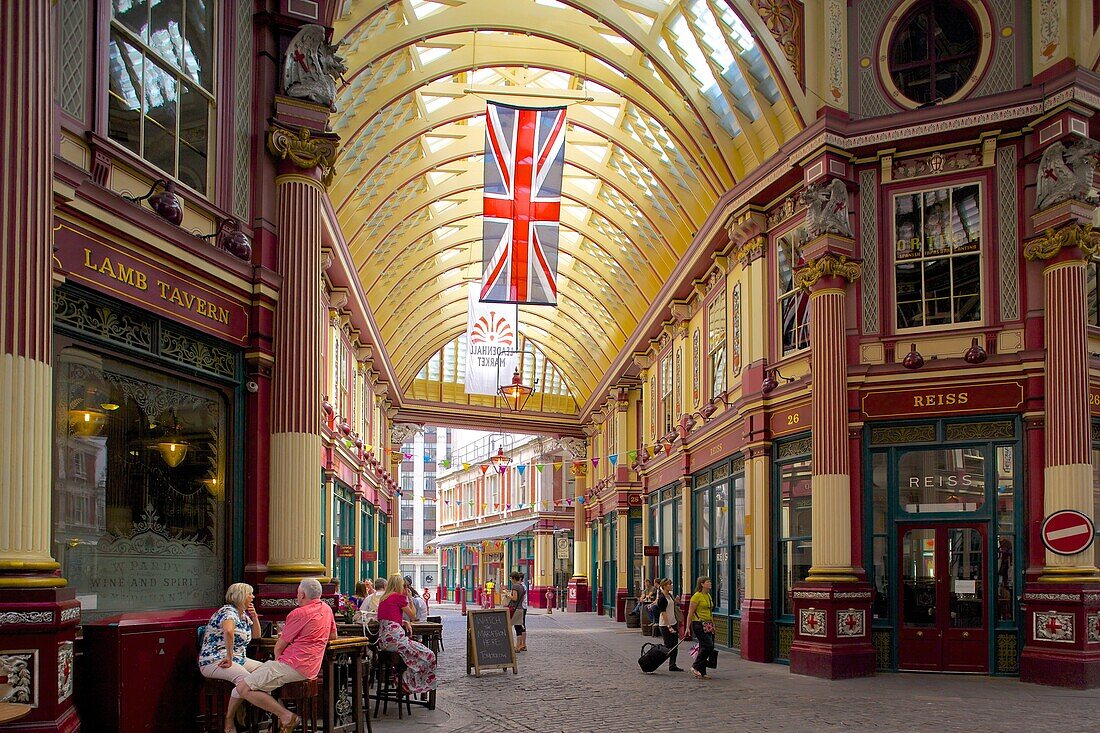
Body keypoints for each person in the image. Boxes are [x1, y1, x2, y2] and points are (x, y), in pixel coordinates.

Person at [233, 578, 337, 732]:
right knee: (261, 680)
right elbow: (332, 636)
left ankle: (286, 716)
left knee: (243, 688)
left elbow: (279, 647)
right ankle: (276, 723)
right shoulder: (326, 609)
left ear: (301, 595)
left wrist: (277, 661)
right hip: (312, 668)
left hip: (293, 664)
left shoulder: (298, 613)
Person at [199, 583, 263, 733]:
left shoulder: (243, 615)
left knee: (266, 671)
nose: (253, 597)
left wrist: (254, 616)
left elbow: (257, 636)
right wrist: (229, 656)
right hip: (215, 659)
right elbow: (228, 631)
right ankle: (229, 719)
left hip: (239, 659)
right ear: (240, 595)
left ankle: (253, 715)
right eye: (250, 594)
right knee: (245, 679)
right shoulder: (228, 612)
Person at [377, 574, 438, 694]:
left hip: (384, 640)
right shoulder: (398, 597)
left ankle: (402, 679)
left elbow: (388, 617)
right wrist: (409, 598)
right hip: (396, 639)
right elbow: (413, 616)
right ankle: (409, 683)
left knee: (411, 657)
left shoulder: (383, 598)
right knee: (429, 655)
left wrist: (403, 621)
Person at [683, 576, 715, 680]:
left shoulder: (708, 596)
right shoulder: (696, 596)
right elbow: (690, 612)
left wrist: (713, 625)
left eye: (710, 581)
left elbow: (710, 612)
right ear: (702, 584)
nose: (710, 583)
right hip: (698, 624)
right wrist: (687, 627)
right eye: (708, 582)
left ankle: (702, 671)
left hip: (708, 624)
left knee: (703, 647)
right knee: (708, 646)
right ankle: (695, 666)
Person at [653, 578, 683, 672]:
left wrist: (677, 600)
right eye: (669, 584)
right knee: (668, 646)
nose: (671, 586)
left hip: (673, 622)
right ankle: (654, 660)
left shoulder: (670, 595)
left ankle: (672, 665)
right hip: (665, 625)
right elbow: (663, 613)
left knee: (675, 645)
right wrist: (668, 626)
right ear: (664, 586)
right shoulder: (662, 598)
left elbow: (674, 605)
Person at [507, 571, 527, 652]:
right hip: (520, 608)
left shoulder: (515, 586)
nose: (510, 580)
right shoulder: (522, 586)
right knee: (519, 627)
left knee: (511, 626)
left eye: (511, 578)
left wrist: (507, 595)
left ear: (514, 578)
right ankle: (518, 646)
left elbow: (515, 598)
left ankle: (514, 646)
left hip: (514, 609)